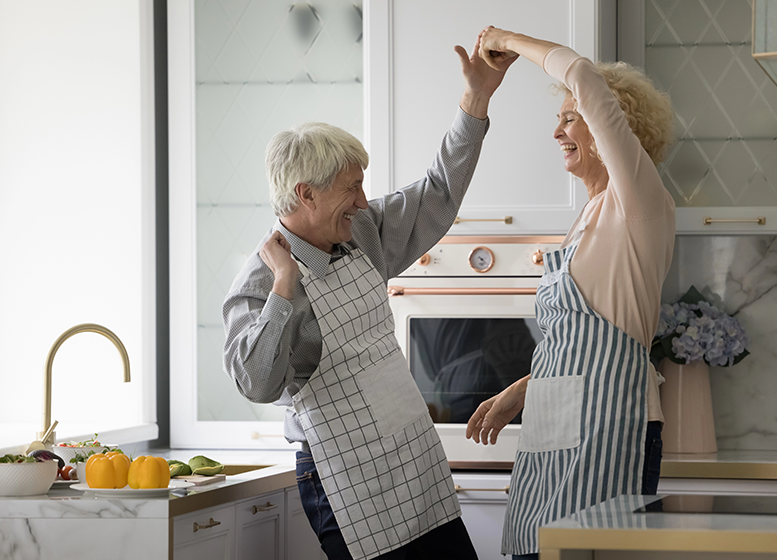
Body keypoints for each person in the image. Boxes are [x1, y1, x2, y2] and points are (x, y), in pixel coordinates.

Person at [221, 32, 515, 560]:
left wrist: (476, 100)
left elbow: (437, 193)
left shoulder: (362, 231)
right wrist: (286, 289)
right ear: (305, 194)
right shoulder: (260, 284)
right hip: (343, 476)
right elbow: (256, 383)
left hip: (412, 458)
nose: (362, 200)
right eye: (350, 188)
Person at [464, 27, 676, 560]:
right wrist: (521, 390)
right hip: (555, 426)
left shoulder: (638, 202)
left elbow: (579, 73)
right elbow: (582, 343)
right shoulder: (585, 218)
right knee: (539, 552)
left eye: (569, 117)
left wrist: (507, 41)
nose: (557, 132)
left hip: (614, 424)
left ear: (612, 127)